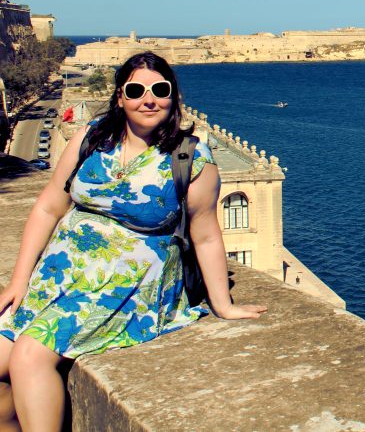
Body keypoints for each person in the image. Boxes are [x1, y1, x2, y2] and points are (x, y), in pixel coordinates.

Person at [0, 51, 266, 431]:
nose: (149, 99)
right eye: (136, 89)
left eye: (160, 89)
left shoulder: (190, 158)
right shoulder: (92, 137)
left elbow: (205, 235)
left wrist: (222, 304)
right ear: (120, 97)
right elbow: (48, 208)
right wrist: (19, 279)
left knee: (29, 356)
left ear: (173, 97)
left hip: (127, 282)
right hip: (60, 275)